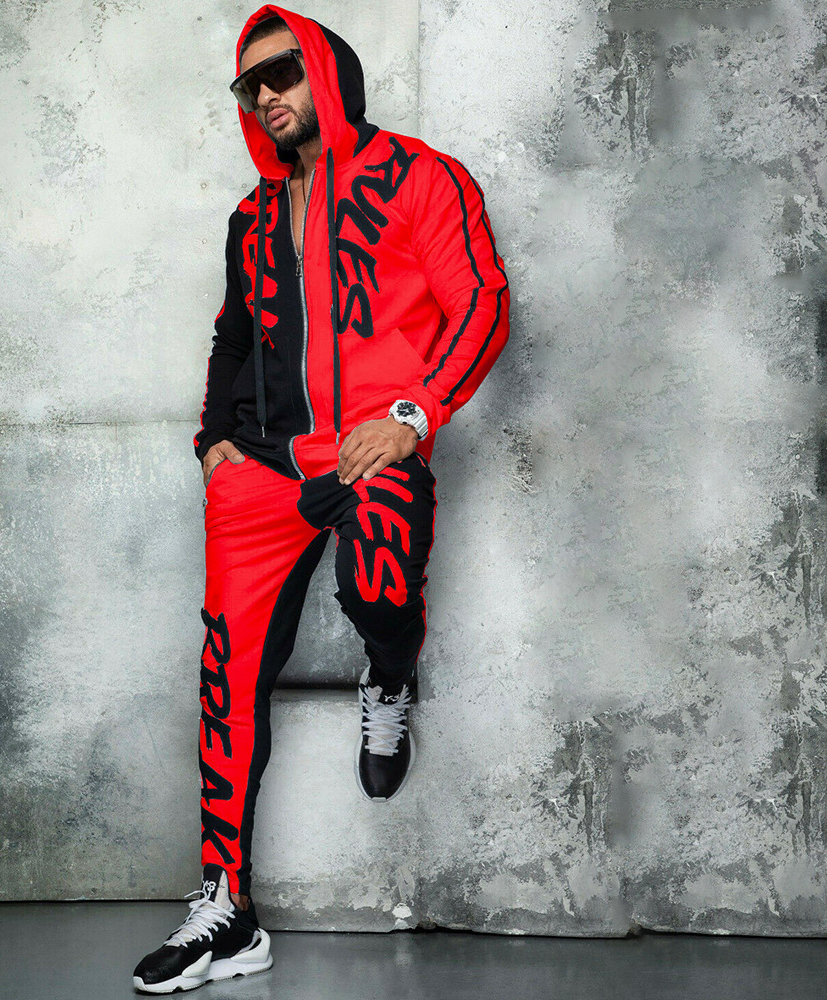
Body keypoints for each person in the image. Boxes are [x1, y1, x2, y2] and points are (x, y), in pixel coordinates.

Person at [133, 4, 509, 993]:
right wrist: (212, 444)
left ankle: (389, 675)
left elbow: (481, 300)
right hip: (258, 470)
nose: (267, 93)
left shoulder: (420, 177)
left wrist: (414, 416)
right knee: (227, 676)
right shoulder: (252, 215)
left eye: (284, 71)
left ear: (329, 74)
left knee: (379, 584)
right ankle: (227, 909)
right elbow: (233, 336)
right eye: (251, 83)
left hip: (368, 449)